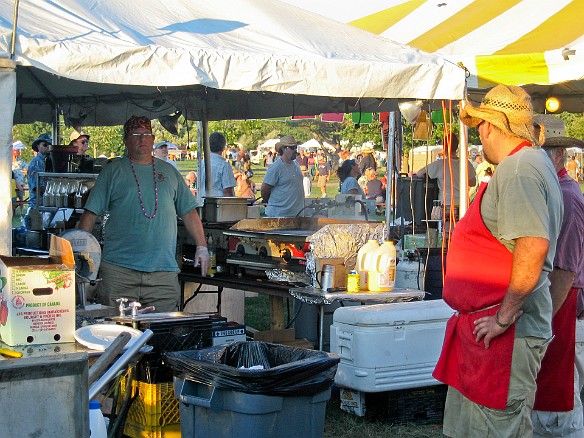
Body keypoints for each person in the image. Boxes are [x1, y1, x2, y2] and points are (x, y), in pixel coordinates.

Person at [432, 85, 563, 437]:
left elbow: (533, 246)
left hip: (504, 336)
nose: (479, 135)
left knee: (495, 429)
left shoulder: (520, 169)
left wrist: (504, 318)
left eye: (479, 128)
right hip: (486, 334)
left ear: (488, 127)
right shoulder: (526, 164)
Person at [77, 116, 209, 312]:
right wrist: (79, 251)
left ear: (153, 139)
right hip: (119, 272)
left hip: (163, 274)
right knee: (115, 331)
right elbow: (90, 213)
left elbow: (189, 212)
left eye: (146, 134)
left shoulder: (169, 172)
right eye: (136, 134)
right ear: (126, 140)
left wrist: (202, 247)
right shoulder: (113, 171)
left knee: (164, 335)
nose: (142, 139)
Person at [531, 115, 584, 438]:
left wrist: (542, 326)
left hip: (566, 315)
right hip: (560, 312)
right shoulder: (556, 193)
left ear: (558, 155)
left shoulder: (564, 195)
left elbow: (564, 272)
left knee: (562, 415)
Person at [416, 133, 477, 209]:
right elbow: (473, 183)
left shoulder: (439, 164)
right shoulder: (466, 163)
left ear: (444, 147)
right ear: (457, 146)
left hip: (445, 204)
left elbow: (419, 173)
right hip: (463, 204)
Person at [260, 135, 304, 217]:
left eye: (295, 147)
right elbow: (264, 190)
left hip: (296, 215)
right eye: (292, 148)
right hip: (278, 215)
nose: (295, 150)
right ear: (284, 149)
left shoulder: (297, 165)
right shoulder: (276, 167)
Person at [199, 132, 236, 197]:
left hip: (201, 202)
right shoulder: (224, 165)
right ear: (223, 146)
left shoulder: (201, 164)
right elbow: (228, 191)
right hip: (218, 204)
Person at [27, 133, 52, 210]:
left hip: (47, 205)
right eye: (45, 145)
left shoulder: (50, 162)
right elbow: (36, 187)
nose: (48, 147)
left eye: (49, 144)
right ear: (38, 146)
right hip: (36, 206)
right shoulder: (35, 163)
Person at [11, 142, 28, 211]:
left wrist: (25, 177)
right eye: (17, 151)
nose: (18, 153)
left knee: (21, 197)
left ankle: (21, 211)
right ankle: (13, 210)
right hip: (12, 182)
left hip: (20, 181)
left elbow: (27, 169)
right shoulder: (9, 161)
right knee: (12, 197)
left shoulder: (21, 161)